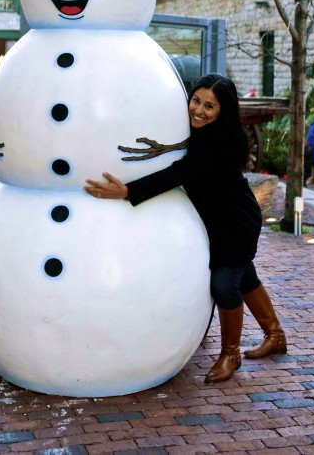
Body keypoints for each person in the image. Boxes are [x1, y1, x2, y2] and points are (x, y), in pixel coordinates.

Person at [85, 74, 288, 384]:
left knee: (224, 285)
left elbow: (179, 173)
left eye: (210, 106)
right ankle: (275, 335)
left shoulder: (221, 141)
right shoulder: (205, 132)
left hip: (235, 223)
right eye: (196, 101)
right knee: (244, 275)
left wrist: (127, 191)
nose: (199, 110)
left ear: (223, 110)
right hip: (219, 220)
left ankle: (230, 354)